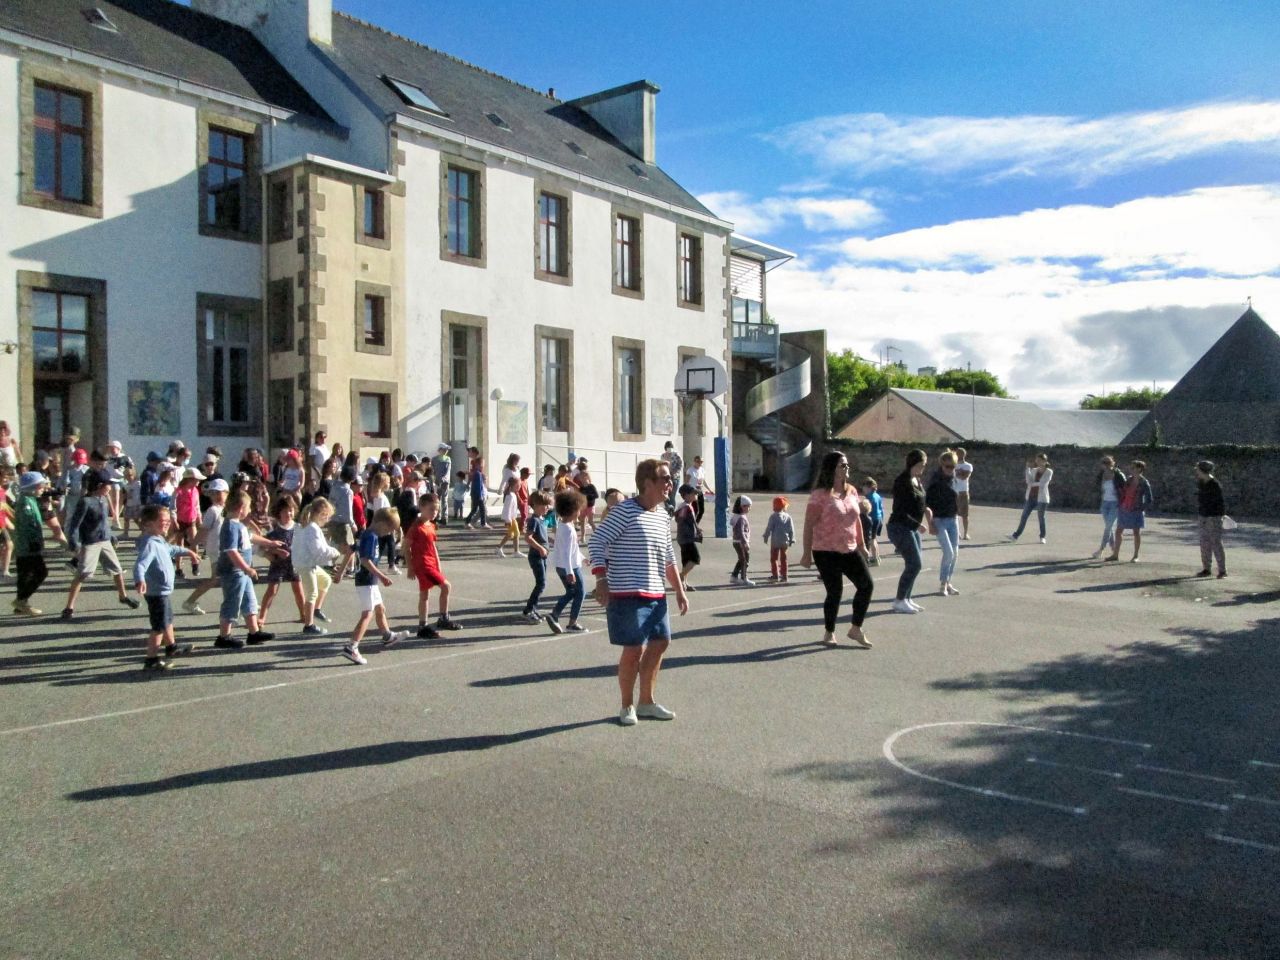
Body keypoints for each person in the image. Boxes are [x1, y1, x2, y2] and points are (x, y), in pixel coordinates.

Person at [590, 460, 688, 725]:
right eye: (665, 478)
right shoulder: (624, 511)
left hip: (656, 594)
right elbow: (597, 541)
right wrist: (601, 579)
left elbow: (668, 557)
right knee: (634, 649)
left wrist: (679, 590)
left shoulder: (662, 515)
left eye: (670, 478)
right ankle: (626, 706)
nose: (670, 483)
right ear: (648, 483)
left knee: (660, 643)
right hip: (627, 594)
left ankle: (647, 702)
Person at [799, 451, 874, 647]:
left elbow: (856, 519)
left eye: (847, 464)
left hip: (849, 548)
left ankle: (855, 628)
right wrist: (806, 554)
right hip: (825, 551)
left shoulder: (852, 491)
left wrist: (862, 545)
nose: (847, 467)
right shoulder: (819, 496)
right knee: (835, 591)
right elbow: (809, 525)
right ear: (832, 468)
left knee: (866, 585)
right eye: (842, 465)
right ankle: (829, 632)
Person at [61, 470, 142, 619]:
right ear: (99, 486)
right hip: (90, 543)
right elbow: (74, 525)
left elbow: (104, 522)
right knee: (82, 574)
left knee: (117, 570)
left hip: (105, 541)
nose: (110, 488)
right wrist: (73, 542)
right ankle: (69, 607)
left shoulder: (102, 500)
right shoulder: (85, 502)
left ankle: (123, 596)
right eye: (108, 485)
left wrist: (111, 536)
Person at [133, 505, 199, 671]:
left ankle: (172, 647)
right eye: (163, 521)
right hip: (156, 593)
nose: (168, 523)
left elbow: (171, 549)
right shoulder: (149, 544)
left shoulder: (159, 540)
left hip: (162, 591)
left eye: (169, 520)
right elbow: (140, 565)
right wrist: (140, 580)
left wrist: (188, 552)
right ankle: (151, 659)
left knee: (167, 619)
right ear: (148, 524)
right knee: (159, 627)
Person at [341, 507, 411, 664]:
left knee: (380, 608)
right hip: (367, 581)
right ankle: (352, 646)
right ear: (381, 524)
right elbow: (365, 560)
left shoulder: (365, 534)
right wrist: (382, 576)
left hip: (369, 581)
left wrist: (340, 572)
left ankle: (387, 636)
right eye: (389, 530)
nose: (388, 533)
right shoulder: (371, 537)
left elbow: (351, 550)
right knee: (368, 613)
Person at [212, 491, 280, 650]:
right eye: (248, 507)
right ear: (241, 508)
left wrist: (270, 543)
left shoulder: (238, 524)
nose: (249, 511)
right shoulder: (230, 526)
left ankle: (254, 632)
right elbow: (231, 551)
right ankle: (223, 636)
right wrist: (246, 568)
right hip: (234, 571)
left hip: (242, 572)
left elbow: (251, 537)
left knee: (249, 601)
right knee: (232, 602)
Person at [401, 492, 463, 640]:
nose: (434, 512)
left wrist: (437, 563)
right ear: (421, 507)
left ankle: (426, 624)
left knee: (426, 594)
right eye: (431, 509)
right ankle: (437, 620)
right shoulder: (416, 527)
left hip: (430, 563)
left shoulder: (430, 525)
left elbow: (433, 546)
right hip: (422, 564)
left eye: (436, 509)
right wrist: (410, 567)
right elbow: (405, 547)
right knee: (445, 587)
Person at [887, 449, 930, 614]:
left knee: (915, 564)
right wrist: (917, 524)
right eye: (921, 465)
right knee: (914, 563)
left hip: (911, 528)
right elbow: (900, 510)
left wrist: (926, 512)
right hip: (900, 527)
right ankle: (899, 600)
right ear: (912, 463)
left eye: (924, 465)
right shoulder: (902, 482)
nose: (923, 468)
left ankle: (907, 598)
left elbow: (920, 503)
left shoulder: (917, 480)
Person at [182, 478, 229, 615]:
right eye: (213, 493)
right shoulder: (212, 511)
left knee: (225, 578)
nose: (216, 496)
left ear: (227, 493)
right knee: (217, 579)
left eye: (219, 492)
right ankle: (190, 601)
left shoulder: (227, 510)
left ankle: (236, 605)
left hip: (226, 549)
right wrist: (193, 545)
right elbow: (203, 530)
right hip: (216, 549)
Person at [293, 496, 339, 636]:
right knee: (312, 593)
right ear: (321, 514)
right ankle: (309, 625)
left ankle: (316, 610)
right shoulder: (312, 528)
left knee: (325, 580)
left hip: (305, 562)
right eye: (327, 516)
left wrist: (330, 558)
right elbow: (319, 550)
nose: (328, 520)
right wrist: (335, 552)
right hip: (306, 564)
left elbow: (319, 550)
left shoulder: (307, 525)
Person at [258, 497, 306, 629]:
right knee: (272, 590)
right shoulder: (273, 529)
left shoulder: (298, 527)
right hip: (277, 564)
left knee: (298, 590)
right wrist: (276, 551)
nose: (288, 513)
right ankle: (262, 617)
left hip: (294, 564)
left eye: (291, 510)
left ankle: (303, 614)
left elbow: (304, 545)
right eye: (285, 511)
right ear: (279, 512)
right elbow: (263, 547)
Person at [546, 488, 588, 634]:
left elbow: (571, 549)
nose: (579, 512)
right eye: (578, 510)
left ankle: (555, 615)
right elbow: (566, 553)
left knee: (571, 592)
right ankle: (571, 623)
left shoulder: (563, 526)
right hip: (570, 567)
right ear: (572, 510)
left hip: (561, 566)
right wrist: (570, 571)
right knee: (580, 592)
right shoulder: (568, 530)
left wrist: (582, 558)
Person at [12, 471, 50, 616]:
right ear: (31, 487)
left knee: (25, 575)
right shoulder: (25, 503)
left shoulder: (31, 499)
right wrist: (34, 542)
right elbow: (29, 525)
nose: (43, 488)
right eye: (40, 486)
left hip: (26, 545)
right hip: (27, 546)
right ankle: (21, 600)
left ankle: (21, 604)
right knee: (40, 572)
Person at [926, 450, 962, 597]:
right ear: (942, 465)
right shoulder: (935, 480)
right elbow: (927, 504)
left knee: (955, 553)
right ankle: (943, 584)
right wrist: (930, 523)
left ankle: (947, 582)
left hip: (952, 519)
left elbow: (956, 498)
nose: (950, 469)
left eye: (953, 466)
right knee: (948, 552)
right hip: (939, 519)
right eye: (947, 466)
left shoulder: (954, 479)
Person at [1109, 460, 1153, 563]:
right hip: (1124, 508)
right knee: (1118, 531)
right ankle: (1115, 555)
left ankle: (1135, 556)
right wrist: (1120, 501)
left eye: (1133, 468)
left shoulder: (1144, 482)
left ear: (1139, 469)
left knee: (1136, 532)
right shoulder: (1129, 480)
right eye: (1131, 467)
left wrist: (1141, 508)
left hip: (1135, 510)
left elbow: (1149, 499)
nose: (1131, 469)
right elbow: (1124, 491)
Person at [520, 491, 552, 622]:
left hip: (543, 556)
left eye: (548, 505)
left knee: (542, 583)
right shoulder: (534, 520)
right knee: (541, 583)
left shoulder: (542, 520)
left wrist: (552, 541)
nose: (547, 507)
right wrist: (540, 548)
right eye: (545, 505)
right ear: (536, 505)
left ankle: (533, 609)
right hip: (536, 556)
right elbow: (528, 537)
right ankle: (528, 611)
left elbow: (543, 537)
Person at [1009, 452, 1053, 544]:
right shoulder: (1033, 470)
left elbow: (1043, 484)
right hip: (1031, 497)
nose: (1037, 462)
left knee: (1041, 518)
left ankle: (1042, 537)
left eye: (1040, 460)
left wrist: (1032, 484)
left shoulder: (1049, 472)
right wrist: (1027, 469)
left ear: (1045, 461)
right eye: (1037, 460)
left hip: (1042, 499)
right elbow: (1028, 481)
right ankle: (1015, 536)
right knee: (1024, 516)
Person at [1195, 460, 1228, 579]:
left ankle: (1222, 570)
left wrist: (1220, 516)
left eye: (1198, 469)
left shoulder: (1214, 484)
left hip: (1214, 516)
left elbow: (1220, 503)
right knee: (1204, 543)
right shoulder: (1201, 482)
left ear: (1202, 470)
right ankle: (1206, 568)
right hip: (1203, 515)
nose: (1196, 471)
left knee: (1216, 543)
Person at [1091, 456, 1125, 559]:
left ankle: (1101, 550)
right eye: (1104, 463)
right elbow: (1097, 487)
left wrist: (1121, 499)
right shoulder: (1101, 475)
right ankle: (1113, 548)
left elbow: (1125, 488)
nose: (1106, 465)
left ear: (1112, 463)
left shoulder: (1118, 474)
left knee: (1108, 527)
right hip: (1104, 503)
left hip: (1115, 503)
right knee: (1108, 527)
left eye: (1108, 462)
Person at [172, 467, 204, 578]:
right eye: (196, 479)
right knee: (179, 544)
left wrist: (199, 517)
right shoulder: (178, 491)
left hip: (191, 520)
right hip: (180, 520)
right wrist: (174, 520)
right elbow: (172, 508)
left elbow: (197, 506)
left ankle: (195, 563)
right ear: (189, 479)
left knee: (194, 542)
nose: (198, 481)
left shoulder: (195, 491)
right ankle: (178, 568)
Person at [674, 484, 702, 591]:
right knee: (696, 558)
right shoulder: (685, 507)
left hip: (685, 537)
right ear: (685, 495)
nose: (695, 495)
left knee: (686, 561)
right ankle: (680, 576)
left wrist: (697, 529)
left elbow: (690, 521)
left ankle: (684, 582)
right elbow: (680, 520)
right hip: (686, 538)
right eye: (693, 493)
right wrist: (691, 531)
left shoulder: (687, 506)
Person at [763, 496, 795, 583]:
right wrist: (792, 539)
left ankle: (775, 575)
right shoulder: (788, 517)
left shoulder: (773, 517)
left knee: (774, 559)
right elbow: (791, 529)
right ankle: (784, 576)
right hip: (785, 541)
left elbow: (769, 528)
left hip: (775, 541)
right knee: (784, 559)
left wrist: (766, 536)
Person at [729, 495, 755, 586]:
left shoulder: (737, 516)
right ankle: (744, 578)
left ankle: (734, 576)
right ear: (742, 506)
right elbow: (740, 532)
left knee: (741, 559)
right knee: (745, 560)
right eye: (748, 506)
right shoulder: (741, 518)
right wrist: (745, 542)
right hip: (740, 542)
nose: (749, 508)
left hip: (737, 542)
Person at [497, 471, 522, 557]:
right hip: (510, 519)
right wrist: (508, 520)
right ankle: (501, 548)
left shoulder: (513, 495)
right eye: (517, 486)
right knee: (514, 534)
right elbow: (507, 509)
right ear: (512, 486)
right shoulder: (510, 496)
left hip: (512, 518)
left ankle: (514, 551)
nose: (519, 487)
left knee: (513, 534)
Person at [953, 448, 974, 540]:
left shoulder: (968, 466)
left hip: (963, 492)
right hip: (954, 491)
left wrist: (956, 474)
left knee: (965, 514)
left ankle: (965, 533)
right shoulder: (953, 465)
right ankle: (957, 533)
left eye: (958, 454)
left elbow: (964, 477)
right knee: (954, 514)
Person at [861, 477, 883, 565]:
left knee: (871, 540)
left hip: (872, 519)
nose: (863, 488)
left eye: (864, 486)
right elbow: (881, 509)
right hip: (878, 518)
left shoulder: (869, 498)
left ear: (869, 487)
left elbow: (867, 510)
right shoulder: (877, 496)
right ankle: (877, 556)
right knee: (874, 539)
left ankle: (874, 559)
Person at [685, 455, 713, 524]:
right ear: (694, 462)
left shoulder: (702, 470)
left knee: (702, 511)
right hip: (693, 493)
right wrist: (689, 492)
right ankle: (691, 525)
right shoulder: (690, 470)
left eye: (701, 462)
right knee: (695, 510)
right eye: (698, 461)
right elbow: (686, 482)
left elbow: (703, 481)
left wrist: (709, 490)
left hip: (700, 492)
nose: (700, 463)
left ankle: (696, 524)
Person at [662, 441, 683, 513]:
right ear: (665, 448)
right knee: (665, 495)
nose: (669, 449)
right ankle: (667, 510)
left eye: (670, 447)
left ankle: (672, 512)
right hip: (666, 478)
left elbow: (680, 465)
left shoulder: (676, 455)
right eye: (668, 447)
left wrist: (674, 472)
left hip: (675, 478)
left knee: (672, 496)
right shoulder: (663, 456)